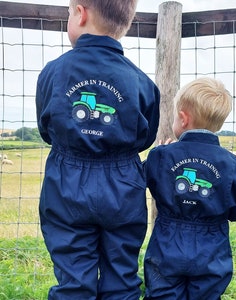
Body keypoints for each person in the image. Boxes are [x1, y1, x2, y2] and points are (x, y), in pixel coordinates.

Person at [35, 0, 160, 299]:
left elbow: (46, 127)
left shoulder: (53, 73)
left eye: (68, 13)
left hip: (67, 186)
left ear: (80, 13)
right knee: (122, 275)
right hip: (122, 186)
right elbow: (146, 136)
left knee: (74, 278)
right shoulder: (142, 82)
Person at [143, 77, 236, 299]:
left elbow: (141, 179)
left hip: (167, 244)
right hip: (212, 249)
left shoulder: (162, 156)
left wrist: (159, 155)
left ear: (183, 119)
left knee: (162, 293)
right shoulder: (233, 165)